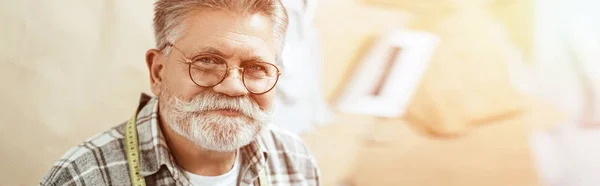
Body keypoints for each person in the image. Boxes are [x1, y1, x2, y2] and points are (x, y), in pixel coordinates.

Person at [39, 0, 321, 185]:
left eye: (257, 67)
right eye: (207, 61)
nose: (234, 87)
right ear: (158, 72)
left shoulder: (296, 160)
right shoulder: (82, 177)